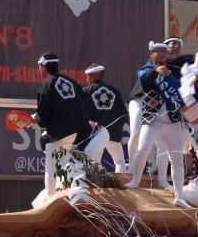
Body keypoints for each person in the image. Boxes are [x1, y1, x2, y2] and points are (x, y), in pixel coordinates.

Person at [125, 41, 191, 209]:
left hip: (172, 122)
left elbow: (186, 90)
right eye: (158, 50)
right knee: (143, 148)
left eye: (164, 51)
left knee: (177, 160)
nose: (162, 53)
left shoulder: (173, 71)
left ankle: (179, 196)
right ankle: (135, 180)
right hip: (152, 120)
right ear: (151, 54)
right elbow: (146, 81)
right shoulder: (145, 70)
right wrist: (156, 70)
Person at [34, 52, 93, 198]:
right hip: (78, 131)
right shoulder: (70, 81)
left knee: (50, 166)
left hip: (60, 131)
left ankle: (50, 199)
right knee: (70, 164)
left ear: (43, 66)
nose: (39, 69)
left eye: (39, 66)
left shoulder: (46, 85)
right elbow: (82, 98)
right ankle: (77, 196)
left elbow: (44, 115)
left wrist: (37, 119)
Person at [82, 63, 128, 172]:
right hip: (113, 135)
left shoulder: (86, 91)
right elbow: (123, 113)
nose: (87, 79)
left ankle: (95, 183)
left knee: (95, 162)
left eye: (88, 77)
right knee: (120, 162)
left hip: (96, 135)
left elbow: (81, 114)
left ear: (94, 77)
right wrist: (116, 130)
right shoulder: (115, 92)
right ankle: (121, 183)